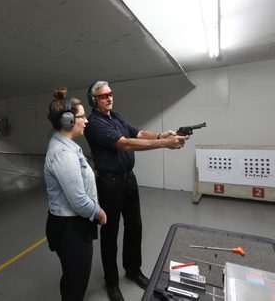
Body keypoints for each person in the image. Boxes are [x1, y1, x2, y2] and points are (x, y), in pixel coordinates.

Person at [84, 81, 188, 301]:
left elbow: (138, 133)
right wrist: (166, 144)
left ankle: (133, 270)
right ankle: (111, 281)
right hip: (109, 185)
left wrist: (161, 135)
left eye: (110, 94)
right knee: (110, 234)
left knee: (135, 227)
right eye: (103, 96)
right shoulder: (94, 123)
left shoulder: (117, 116)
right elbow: (125, 144)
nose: (109, 98)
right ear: (94, 101)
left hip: (129, 181)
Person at [44, 88, 107, 301]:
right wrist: (98, 212)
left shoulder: (68, 147)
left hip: (73, 224)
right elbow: (78, 200)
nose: (86, 121)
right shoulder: (63, 153)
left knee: (72, 278)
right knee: (76, 283)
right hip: (70, 228)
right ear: (69, 121)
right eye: (81, 117)